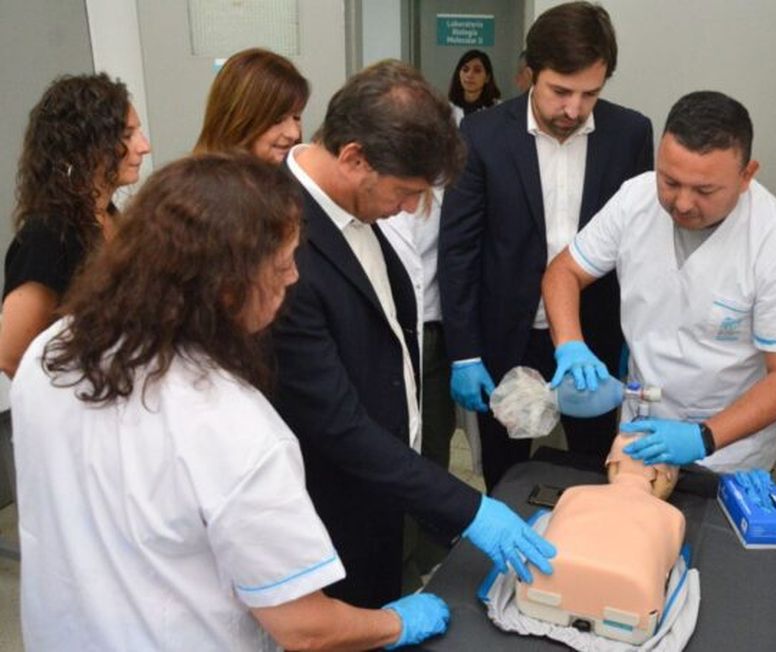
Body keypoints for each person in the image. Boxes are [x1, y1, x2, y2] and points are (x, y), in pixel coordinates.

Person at [11, 153, 450, 650]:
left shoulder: (50, 353)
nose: (294, 278)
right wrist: (397, 623)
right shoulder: (233, 427)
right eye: (282, 264)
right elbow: (306, 628)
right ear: (225, 290)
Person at [271, 59, 555, 608]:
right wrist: (469, 509)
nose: (409, 209)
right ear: (353, 158)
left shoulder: (354, 209)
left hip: (381, 494)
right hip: (326, 515)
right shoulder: (278, 239)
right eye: (405, 191)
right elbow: (336, 422)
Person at [438, 1, 655, 490]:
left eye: (589, 94)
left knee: (595, 471)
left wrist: (632, 340)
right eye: (560, 91)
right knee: (507, 474)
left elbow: (639, 246)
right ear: (530, 73)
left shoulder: (630, 134)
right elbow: (459, 249)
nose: (573, 110)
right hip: (506, 336)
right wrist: (465, 352)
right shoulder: (482, 134)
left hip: (593, 338)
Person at [542, 91, 776, 472]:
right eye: (670, 181)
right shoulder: (635, 200)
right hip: (640, 430)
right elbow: (564, 272)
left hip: (727, 450)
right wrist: (570, 344)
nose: (683, 203)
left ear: (746, 176)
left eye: (704, 190)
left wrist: (703, 437)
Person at [0, 73, 151, 378]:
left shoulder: (112, 219)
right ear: (85, 145)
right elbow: (11, 356)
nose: (144, 146)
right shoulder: (47, 236)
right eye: (127, 135)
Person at [193, 47, 309, 164]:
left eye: (296, 117)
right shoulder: (202, 176)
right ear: (236, 119)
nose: (294, 134)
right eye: (277, 120)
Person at [447, 49, 501, 119]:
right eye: (465, 70)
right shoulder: (447, 108)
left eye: (477, 70)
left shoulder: (499, 109)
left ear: (487, 78)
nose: (469, 75)